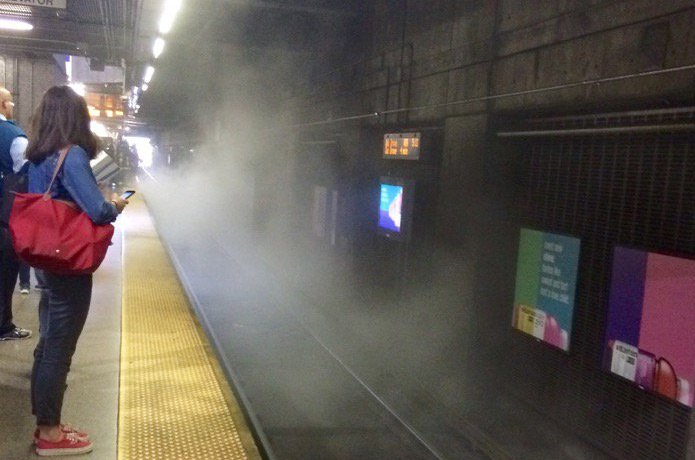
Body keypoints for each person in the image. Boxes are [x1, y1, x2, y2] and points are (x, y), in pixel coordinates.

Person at [26, 86, 128, 457]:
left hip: (46, 261)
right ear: (76, 118)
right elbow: (97, 211)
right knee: (59, 349)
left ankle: (45, 421)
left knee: (47, 342)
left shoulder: (38, 155)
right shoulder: (72, 157)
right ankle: (50, 433)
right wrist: (115, 203)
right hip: (68, 264)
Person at [0, 86, 31, 341]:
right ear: (2, 104)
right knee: (5, 271)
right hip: (4, 215)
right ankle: (4, 326)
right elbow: (26, 174)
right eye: (10, 102)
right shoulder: (14, 136)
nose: (12, 106)